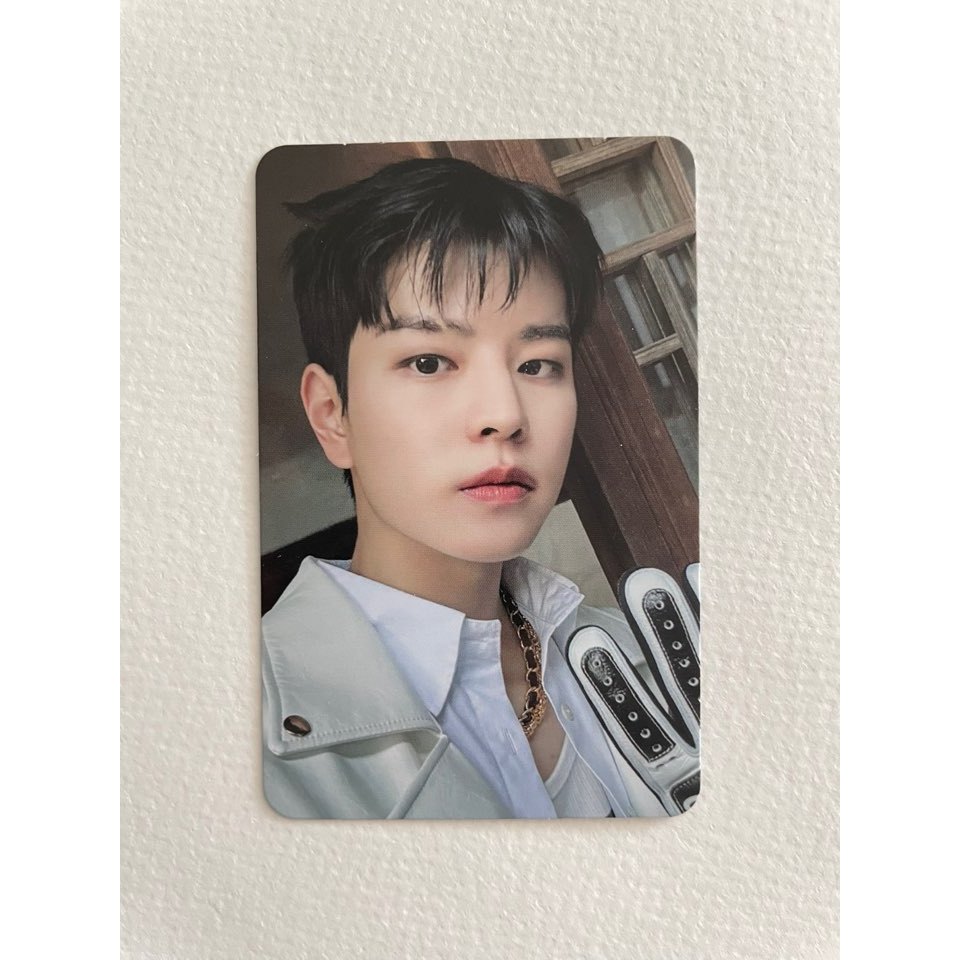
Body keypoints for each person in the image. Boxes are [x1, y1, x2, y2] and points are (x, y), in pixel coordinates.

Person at [261, 157, 683, 819]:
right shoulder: (236, 736)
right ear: (332, 413)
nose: (504, 415)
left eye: (538, 364)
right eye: (429, 361)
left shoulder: (648, 661)